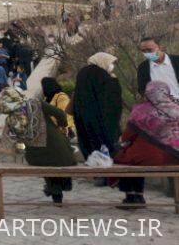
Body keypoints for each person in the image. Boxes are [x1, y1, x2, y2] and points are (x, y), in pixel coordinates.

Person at [0, 88, 75, 204]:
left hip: (37, 158)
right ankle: (57, 189)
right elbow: (60, 114)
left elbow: (8, 144)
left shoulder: (11, 119)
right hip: (61, 153)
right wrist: (62, 126)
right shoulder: (36, 103)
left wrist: (24, 145)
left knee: (43, 156)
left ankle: (55, 191)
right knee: (57, 153)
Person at [112, 80, 179, 208]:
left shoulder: (141, 110)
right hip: (174, 157)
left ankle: (134, 196)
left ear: (148, 93)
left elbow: (127, 136)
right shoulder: (176, 108)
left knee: (125, 158)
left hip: (150, 157)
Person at [73, 52, 122, 159]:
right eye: (110, 63)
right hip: (102, 121)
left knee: (90, 146)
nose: (111, 66)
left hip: (84, 118)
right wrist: (114, 81)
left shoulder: (83, 73)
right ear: (103, 61)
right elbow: (111, 101)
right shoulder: (103, 76)